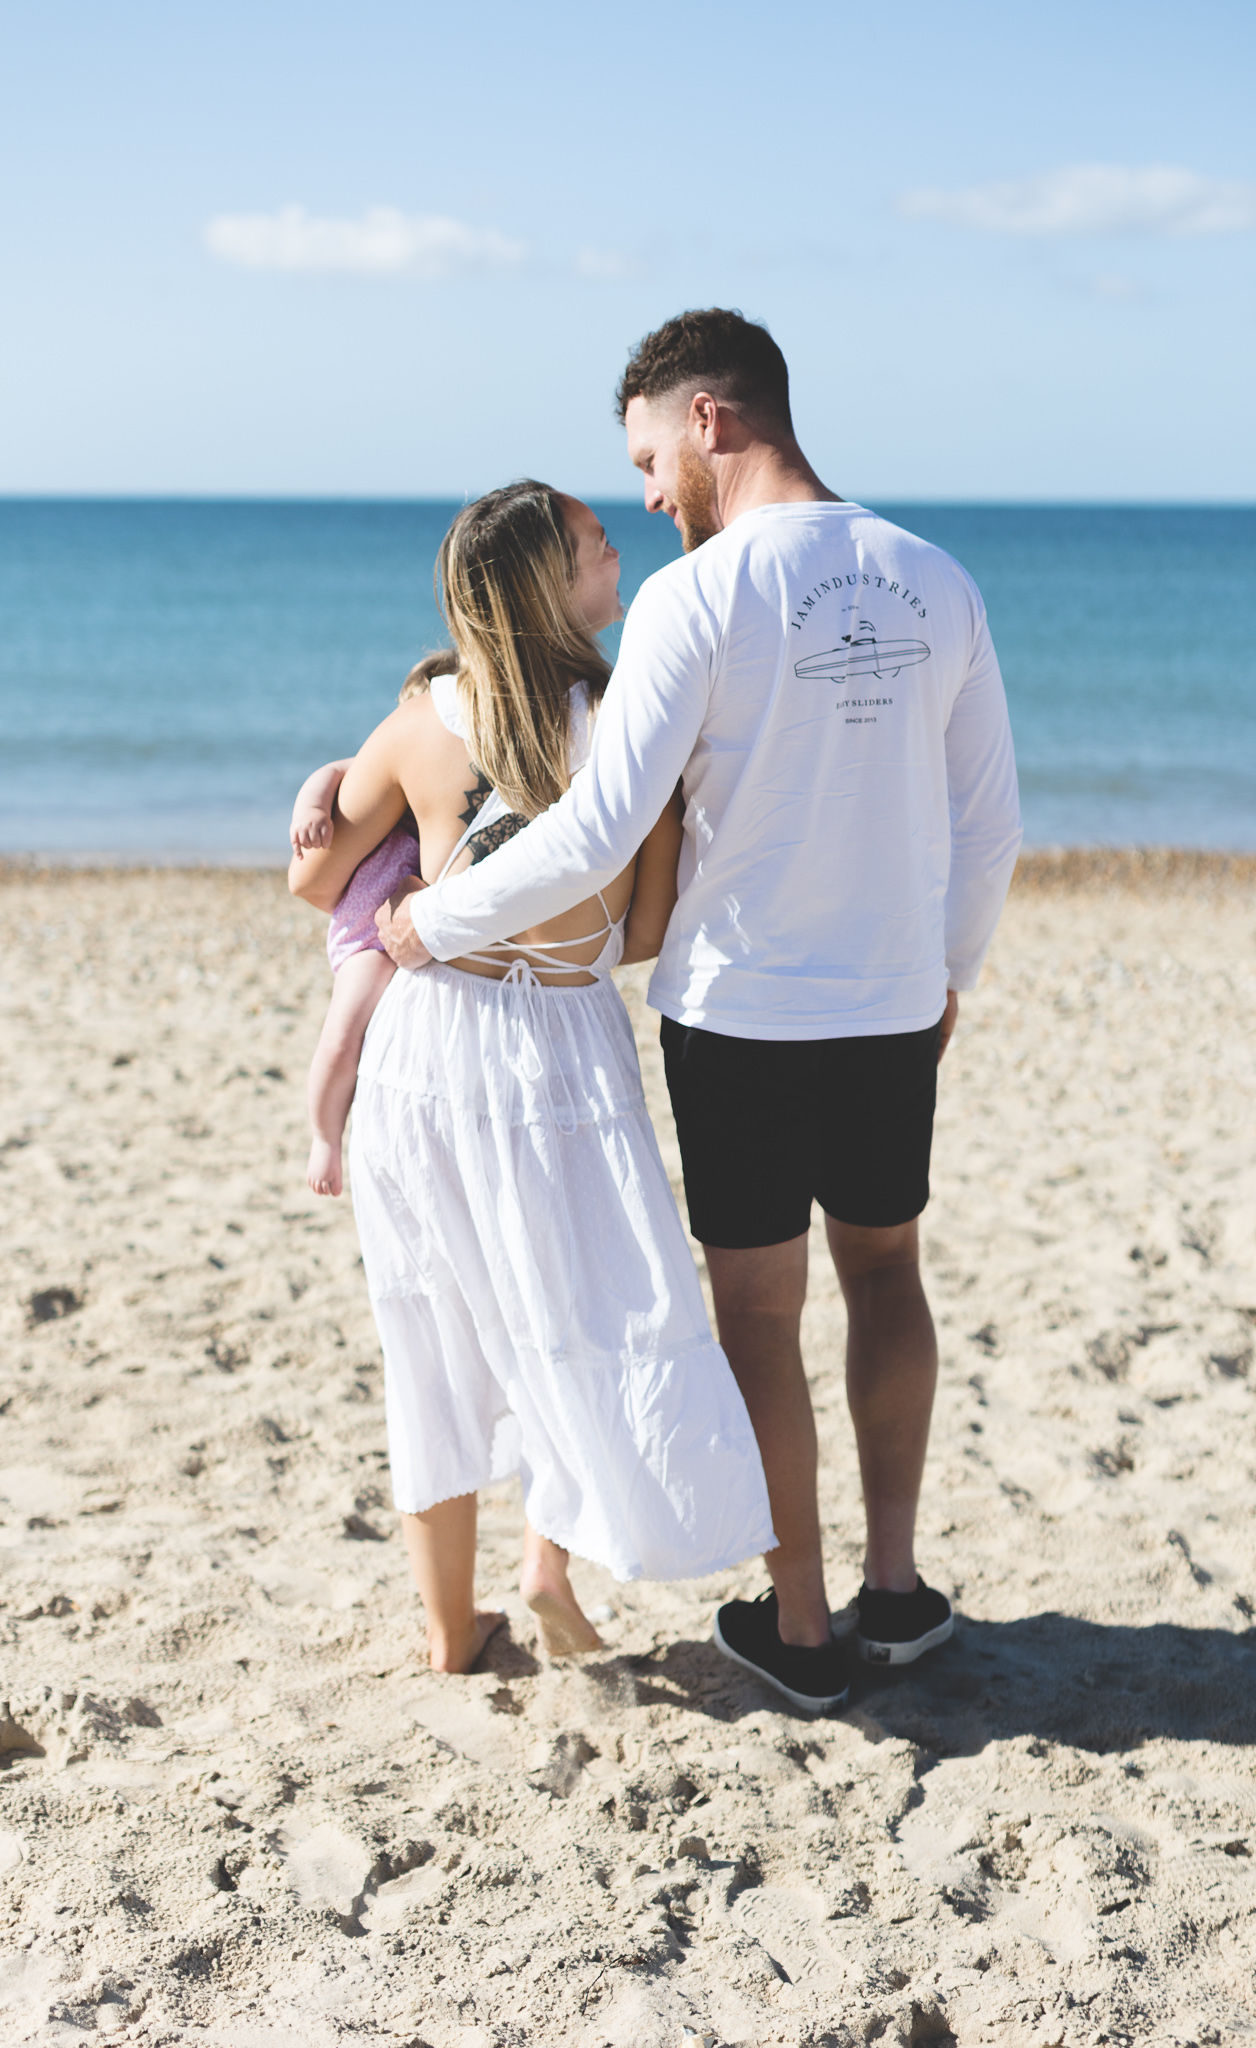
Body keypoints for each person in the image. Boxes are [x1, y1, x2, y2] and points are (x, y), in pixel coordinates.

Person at [380, 311, 1023, 1716]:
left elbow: (599, 827)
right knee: (887, 1275)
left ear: (712, 421)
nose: (650, 490)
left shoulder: (695, 597)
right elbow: (988, 825)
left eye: (651, 456)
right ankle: (896, 1594)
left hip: (739, 1012)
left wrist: (433, 919)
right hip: (888, 1003)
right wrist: (948, 974)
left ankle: (799, 1628)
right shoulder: (937, 577)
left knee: (757, 1309)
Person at [289, 480, 776, 1675]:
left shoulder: (418, 724)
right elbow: (649, 921)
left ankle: (456, 1632)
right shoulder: (629, 724)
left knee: (437, 1331)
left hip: (428, 1041)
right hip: (560, 1042)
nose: (616, 542)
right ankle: (545, 1563)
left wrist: (330, 788)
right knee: (577, 1310)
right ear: (551, 585)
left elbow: (314, 881)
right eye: (593, 539)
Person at [290, 655, 452, 1197]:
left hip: (410, 930)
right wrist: (310, 810)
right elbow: (330, 774)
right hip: (364, 936)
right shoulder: (382, 764)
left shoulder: (449, 782)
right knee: (341, 1037)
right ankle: (324, 1137)